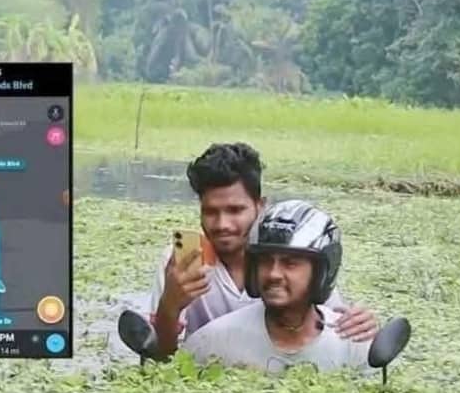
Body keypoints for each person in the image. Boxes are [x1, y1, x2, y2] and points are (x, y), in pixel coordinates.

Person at [118, 142, 378, 360]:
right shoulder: (182, 261)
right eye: (210, 212)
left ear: (260, 205)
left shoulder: (291, 255)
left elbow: (332, 320)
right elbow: (160, 358)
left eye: (235, 210)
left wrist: (359, 322)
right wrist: (169, 306)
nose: (222, 225)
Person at [182, 199, 372, 373]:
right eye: (265, 261)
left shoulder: (355, 345)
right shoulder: (211, 343)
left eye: (290, 263)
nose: (273, 274)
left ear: (321, 271)